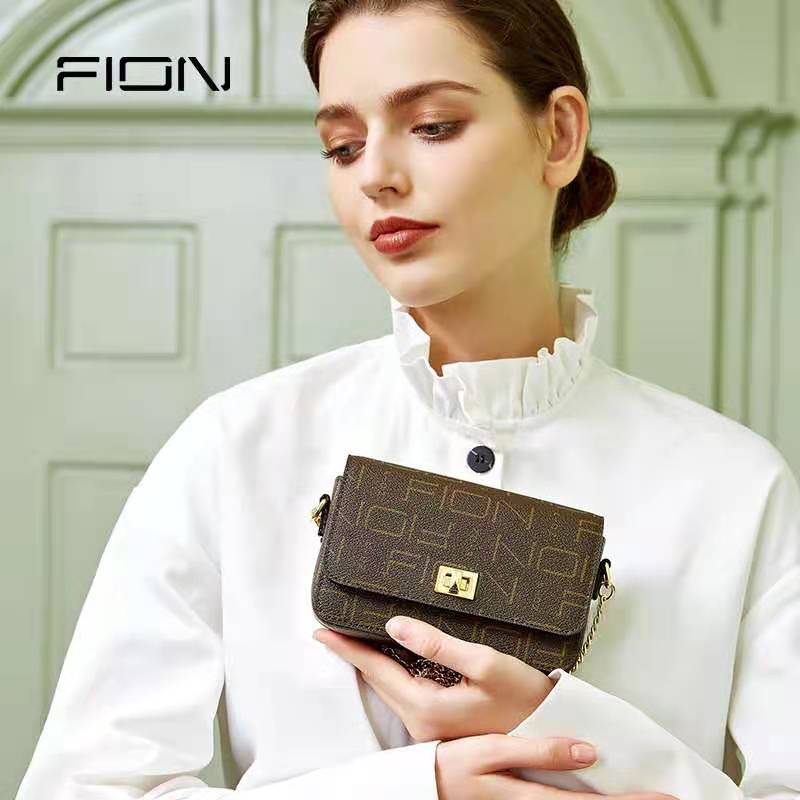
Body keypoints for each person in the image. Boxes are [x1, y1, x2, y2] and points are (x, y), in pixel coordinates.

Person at [14, 0, 800, 798]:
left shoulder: (736, 486)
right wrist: (422, 787)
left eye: (432, 126)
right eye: (343, 146)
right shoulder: (236, 449)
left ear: (559, 135)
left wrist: (564, 727)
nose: (375, 175)